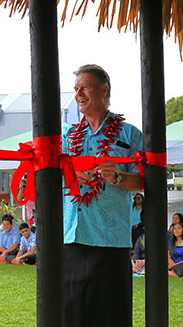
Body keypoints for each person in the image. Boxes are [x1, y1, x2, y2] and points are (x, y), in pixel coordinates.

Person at [62, 64, 143, 327]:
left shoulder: (129, 134)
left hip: (111, 239)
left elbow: (144, 181)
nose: (78, 94)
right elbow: (46, 176)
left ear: (103, 90)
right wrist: (69, 175)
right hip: (74, 236)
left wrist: (117, 176)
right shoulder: (66, 136)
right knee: (73, 315)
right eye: (76, 89)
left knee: (112, 315)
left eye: (83, 87)